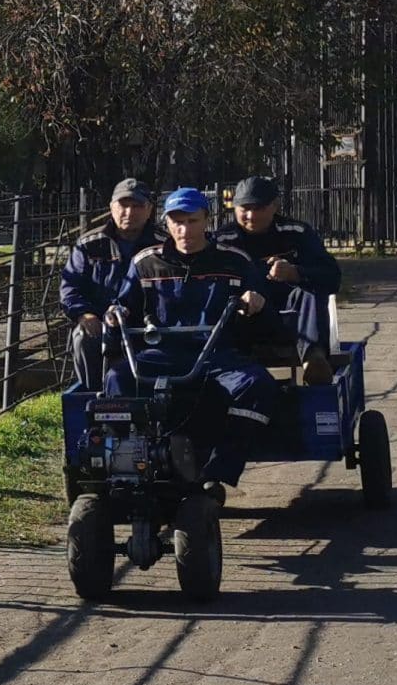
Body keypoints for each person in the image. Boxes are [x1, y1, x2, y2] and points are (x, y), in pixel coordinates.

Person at [106, 186, 281, 488]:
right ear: (166, 224)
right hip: (161, 354)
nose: (185, 229)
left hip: (218, 356)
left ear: (207, 221)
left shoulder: (234, 261)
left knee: (258, 386)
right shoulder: (145, 263)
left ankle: (216, 474)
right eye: (177, 221)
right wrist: (115, 313)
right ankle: (132, 466)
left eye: (192, 221)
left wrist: (257, 302)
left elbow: (266, 312)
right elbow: (125, 305)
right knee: (116, 380)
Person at [227, 176, 341, 384]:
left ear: (274, 206)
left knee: (309, 289)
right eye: (244, 209)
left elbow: (332, 277)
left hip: (293, 318)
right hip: (247, 316)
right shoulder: (223, 239)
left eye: (258, 208)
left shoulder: (297, 233)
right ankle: (231, 361)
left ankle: (313, 359)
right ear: (234, 208)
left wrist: (295, 273)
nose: (251, 216)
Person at [60, 178, 156, 389]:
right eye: (123, 205)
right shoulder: (88, 245)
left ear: (149, 209)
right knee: (83, 337)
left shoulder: (163, 244)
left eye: (137, 206)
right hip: (101, 322)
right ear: (111, 207)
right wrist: (85, 314)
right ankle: (94, 396)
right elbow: (70, 289)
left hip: (149, 324)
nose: (129, 212)